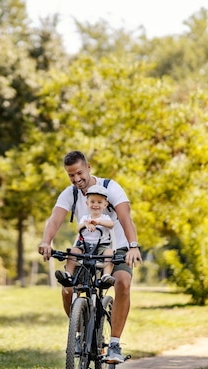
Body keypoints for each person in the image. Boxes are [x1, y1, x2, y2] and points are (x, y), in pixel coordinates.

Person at [38, 150, 142, 364]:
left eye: (79, 173)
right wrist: (46, 241)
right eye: (71, 175)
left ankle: (113, 344)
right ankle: (77, 335)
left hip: (115, 246)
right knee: (68, 289)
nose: (76, 179)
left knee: (122, 282)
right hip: (85, 247)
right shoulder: (70, 193)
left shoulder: (110, 188)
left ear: (88, 168)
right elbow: (55, 219)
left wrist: (133, 246)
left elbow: (125, 217)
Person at [55, 184, 116, 287]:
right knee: (73, 251)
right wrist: (85, 224)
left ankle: (106, 276)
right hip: (84, 245)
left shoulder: (105, 218)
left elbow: (111, 225)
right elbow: (78, 229)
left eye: (99, 202)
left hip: (101, 247)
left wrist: (98, 222)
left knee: (110, 253)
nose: (95, 204)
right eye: (92, 202)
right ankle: (68, 274)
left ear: (105, 205)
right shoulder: (85, 218)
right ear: (87, 203)